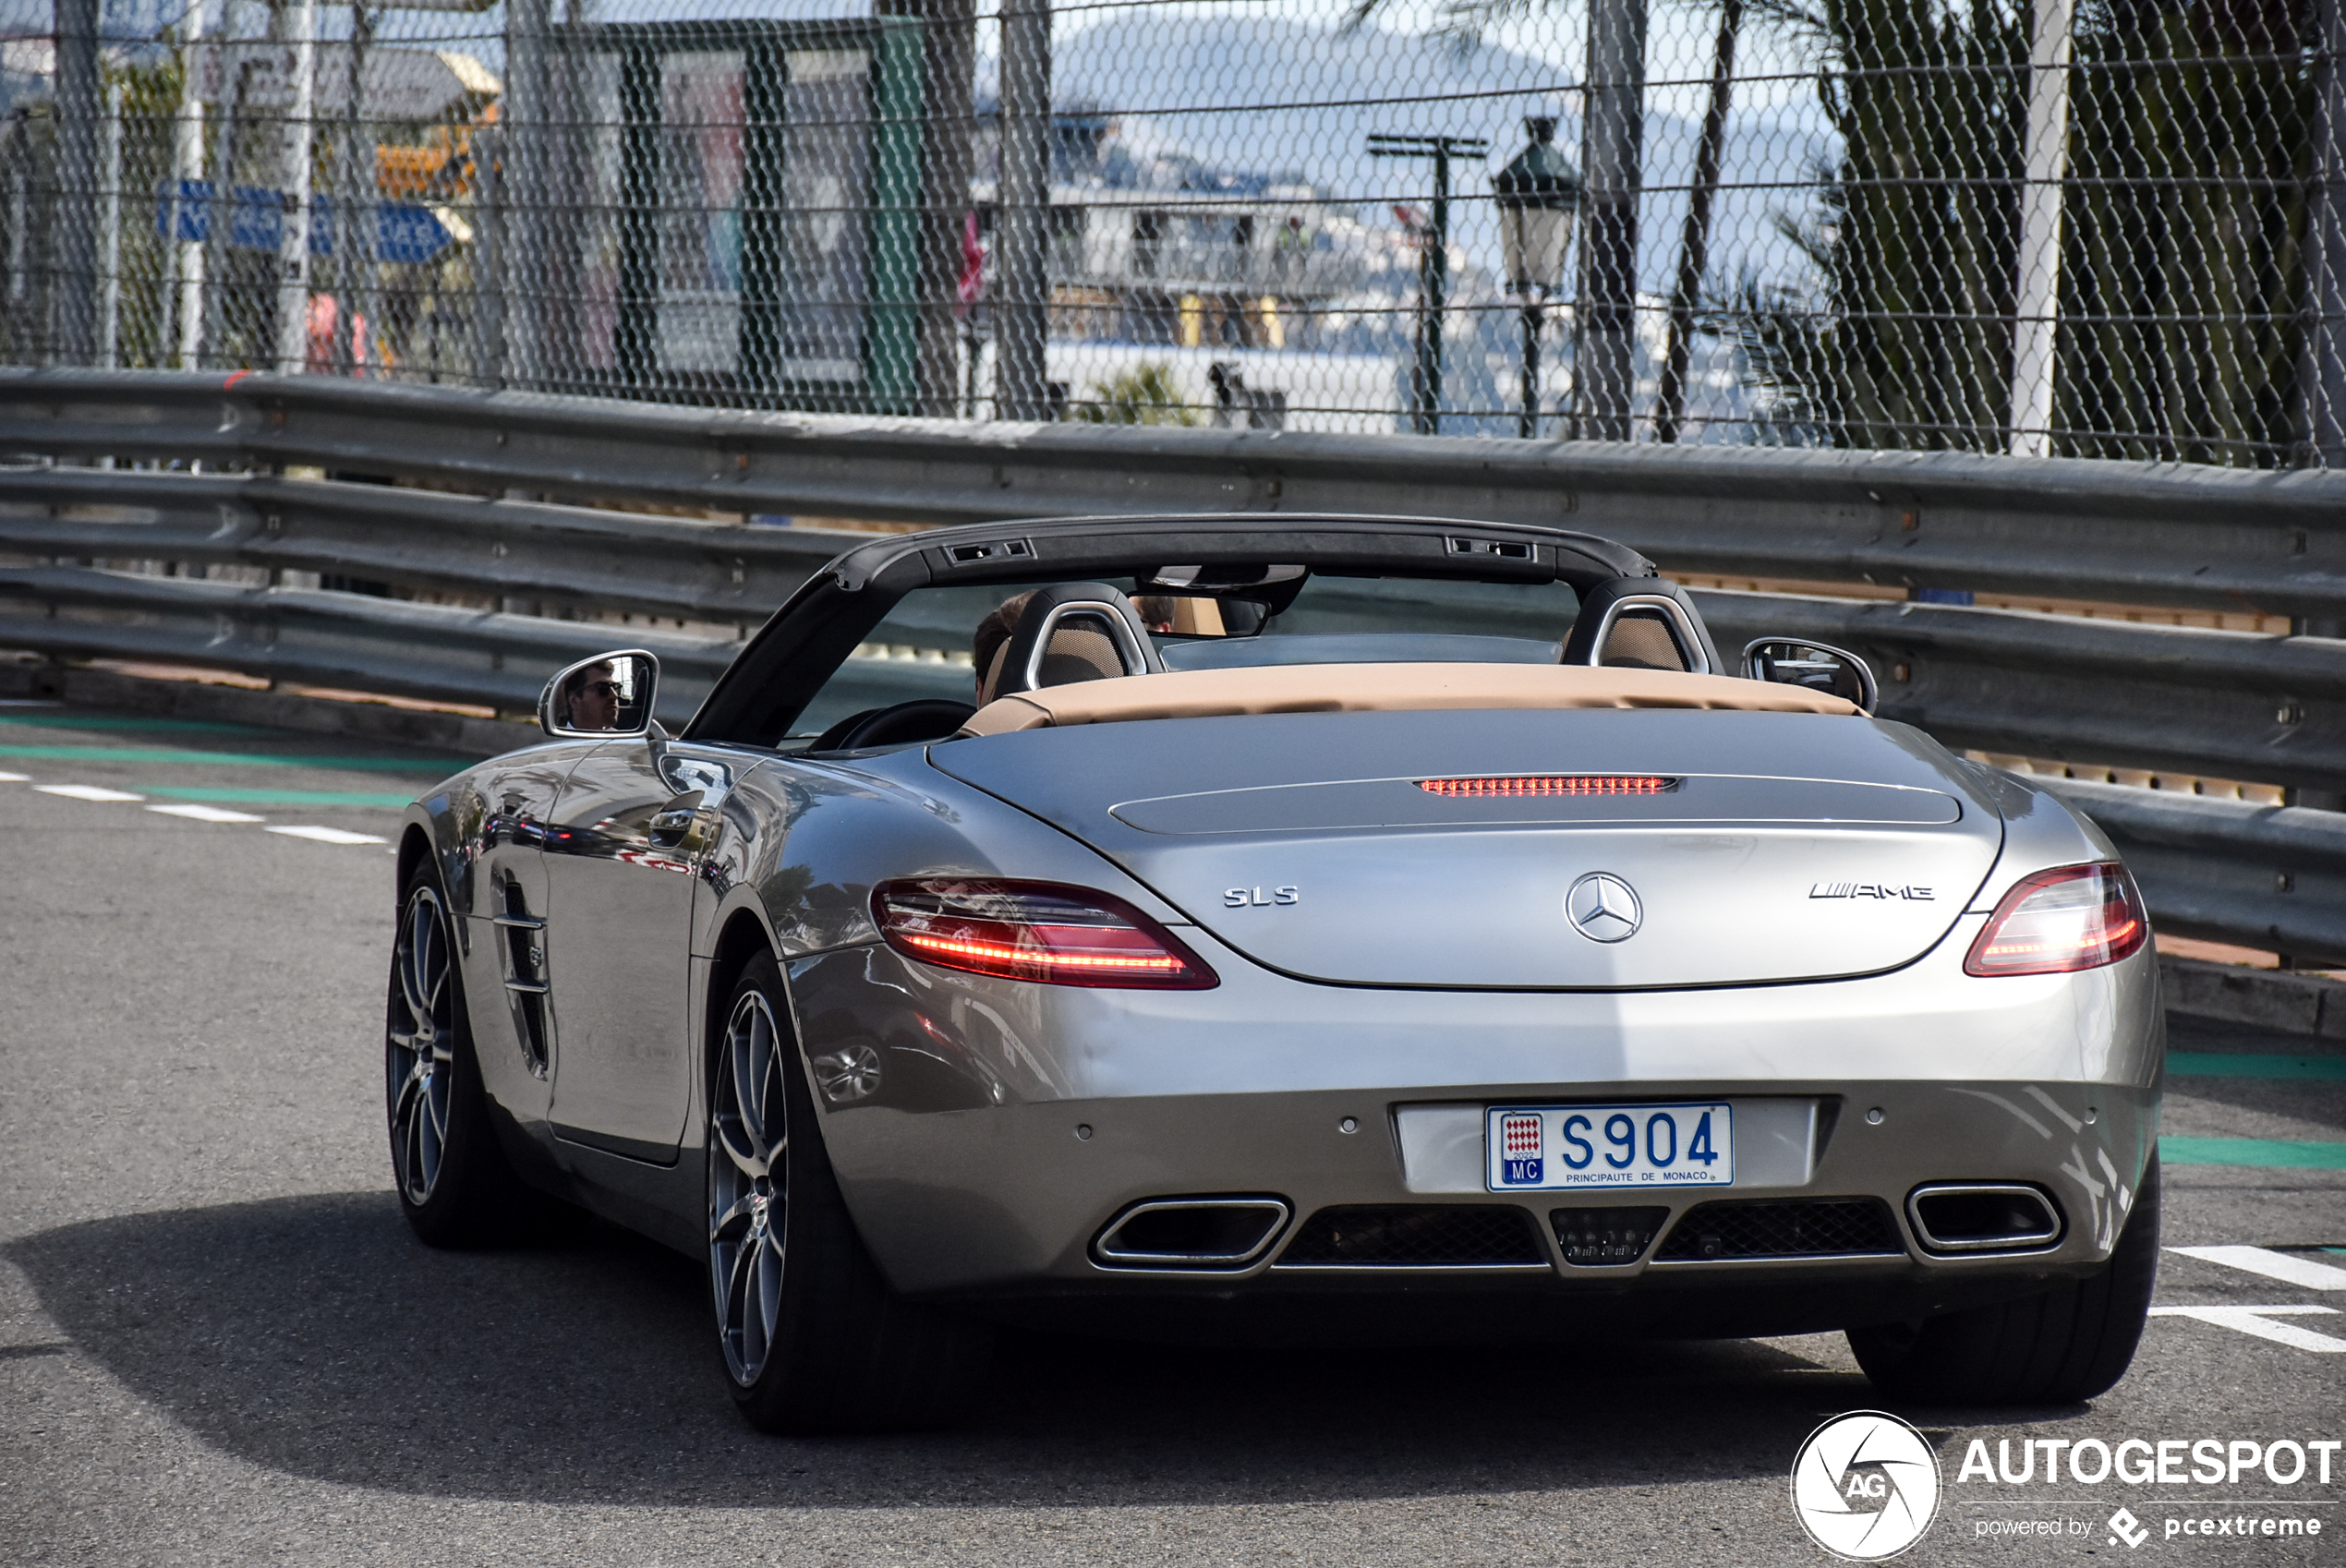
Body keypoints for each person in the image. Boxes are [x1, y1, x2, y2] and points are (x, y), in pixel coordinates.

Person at [561, 659, 623, 730]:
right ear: (574, 701)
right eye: (602, 688)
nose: (614, 695)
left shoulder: (623, 738)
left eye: (616, 687)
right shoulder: (558, 740)